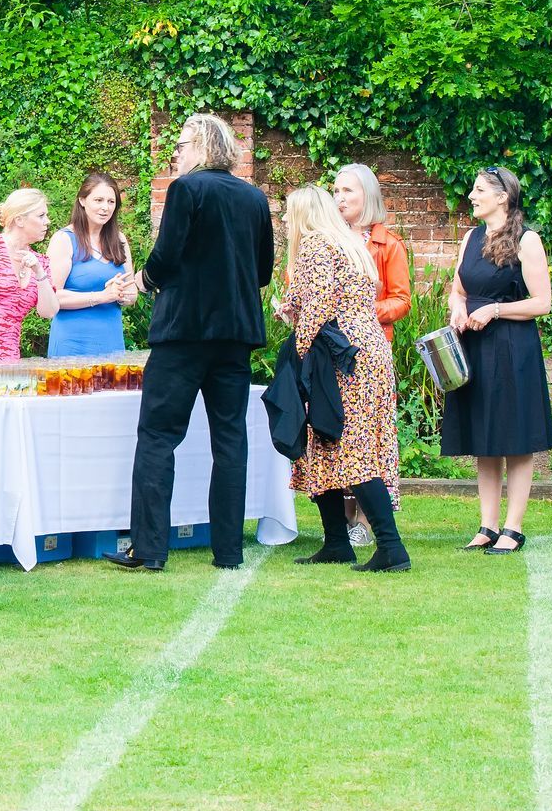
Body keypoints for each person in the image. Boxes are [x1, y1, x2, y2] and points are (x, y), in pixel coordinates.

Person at [109, 112, 274, 573]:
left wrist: (142, 281)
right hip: (236, 335)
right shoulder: (254, 198)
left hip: (183, 333)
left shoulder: (187, 190)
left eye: (181, 145)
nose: (176, 153)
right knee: (230, 439)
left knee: (159, 435)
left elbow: (167, 253)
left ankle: (149, 548)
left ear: (202, 146)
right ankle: (229, 551)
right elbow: (261, 271)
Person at [275, 188, 410, 572]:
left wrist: (299, 354)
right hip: (368, 352)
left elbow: (317, 309)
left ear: (304, 215)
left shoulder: (316, 246)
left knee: (349, 445)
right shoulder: (348, 244)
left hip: (341, 358)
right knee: (329, 441)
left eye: (288, 214)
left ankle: (391, 546)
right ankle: (337, 541)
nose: (285, 221)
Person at [440, 166, 552, 553]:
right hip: (473, 347)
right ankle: (488, 526)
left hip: (511, 348)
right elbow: (458, 289)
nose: (471, 196)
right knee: (484, 438)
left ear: (502, 196)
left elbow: (543, 303)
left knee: (515, 440)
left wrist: (494, 311)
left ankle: (513, 527)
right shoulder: (471, 238)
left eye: (479, 190)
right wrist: (458, 307)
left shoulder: (527, 240)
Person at [330, 162, 412, 548]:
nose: (340, 198)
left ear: (368, 195)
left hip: (370, 354)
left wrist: (361, 312)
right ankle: (344, 518)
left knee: (369, 436)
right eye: (336, 191)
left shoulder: (387, 244)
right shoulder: (327, 240)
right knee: (338, 433)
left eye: (348, 191)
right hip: (332, 353)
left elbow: (401, 300)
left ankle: (366, 519)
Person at [45, 171, 137, 357]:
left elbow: (132, 294)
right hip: (72, 343)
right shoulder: (64, 239)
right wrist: (101, 296)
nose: (105, 207)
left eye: (111, 202)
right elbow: (52, 298)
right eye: (99, 200)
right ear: (82, 201)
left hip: (111, 340)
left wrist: (121, 294)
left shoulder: (119, 240)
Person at [0, 188, 59, 363]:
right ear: (19, 220)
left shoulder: (40, 261)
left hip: (9, 360)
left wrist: (39, 272)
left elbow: (48, 312)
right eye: (41, 216)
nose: (47, 221)